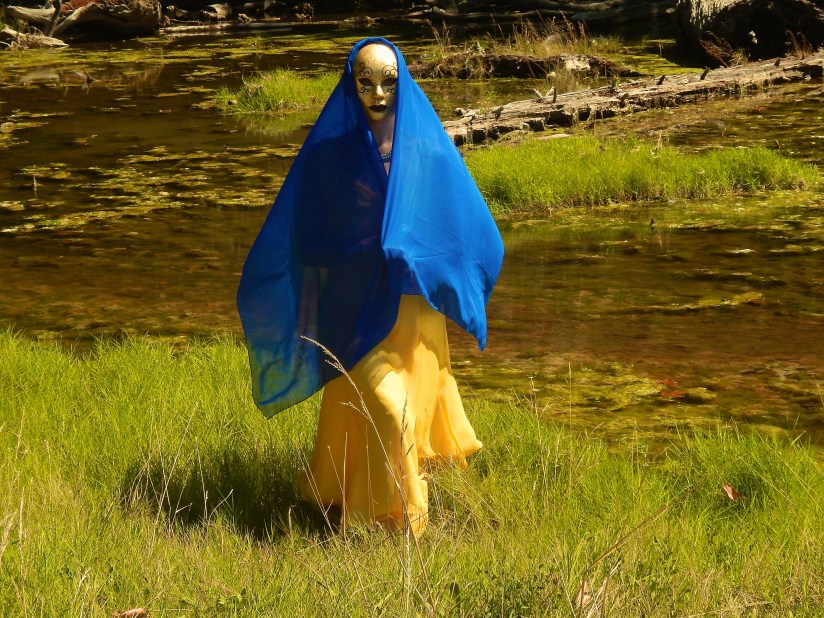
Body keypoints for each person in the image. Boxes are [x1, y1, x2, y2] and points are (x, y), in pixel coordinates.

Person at [237, 38, 503, 535]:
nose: (378, 93)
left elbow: (465, 230)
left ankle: (369, 517)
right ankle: (394, 523)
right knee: (389, 409)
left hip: (414, 317)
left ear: (403, 84)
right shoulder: (330, 155)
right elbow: (305, 241)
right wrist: (359, 254)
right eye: (366, 82)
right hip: (355, 316)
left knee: (402, 415)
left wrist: (430, 265)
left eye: (389, 82)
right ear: (350, 83)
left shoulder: (424, 152)